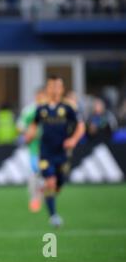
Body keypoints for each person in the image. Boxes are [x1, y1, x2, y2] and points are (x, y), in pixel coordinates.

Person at [25, 75, 85, 228]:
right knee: (50, 182)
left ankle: (44, 191)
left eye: (58, 86)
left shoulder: (68, 107)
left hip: (62, 153)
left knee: (58, 185)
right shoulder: (42, 108)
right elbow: (33, 124)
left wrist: (73, 140)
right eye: (52, 86)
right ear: (48, 89)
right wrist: (30, 135)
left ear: (62, 89)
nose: (55, 89)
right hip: (45, 153)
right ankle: (53, 217)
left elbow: (80, 126)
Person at [17, 88, 46, 213]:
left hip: (49, 147)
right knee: (35, 172)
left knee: (47, 174)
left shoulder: (50, 110)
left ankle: (43, 199)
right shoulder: (30, 111)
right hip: (35, 148)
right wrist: (28, 133)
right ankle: (35, 199)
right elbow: (19, 126)